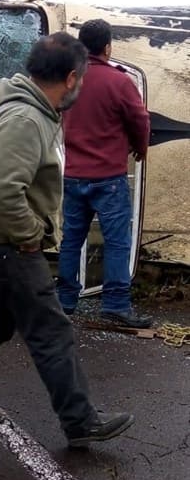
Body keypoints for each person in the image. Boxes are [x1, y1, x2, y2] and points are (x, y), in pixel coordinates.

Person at [0, 32, 134, 448]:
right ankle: (80, 420)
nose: (80, 86)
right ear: (69, 78)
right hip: (9, 244)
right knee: (51, 331)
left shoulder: (36, 112)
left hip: (0, 241)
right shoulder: (25, 120)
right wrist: (29, 236)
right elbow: (4, 190)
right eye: (80, 79)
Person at [56, 19, 152, 328]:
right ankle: (115, 305)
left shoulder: (69, 79)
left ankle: (65, 301)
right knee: (116, 241)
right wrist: (141, 147)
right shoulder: (119, 81)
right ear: (107, 47)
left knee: (71, 239)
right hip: (108, 178)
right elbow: (140, 120)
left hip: (72, 175)